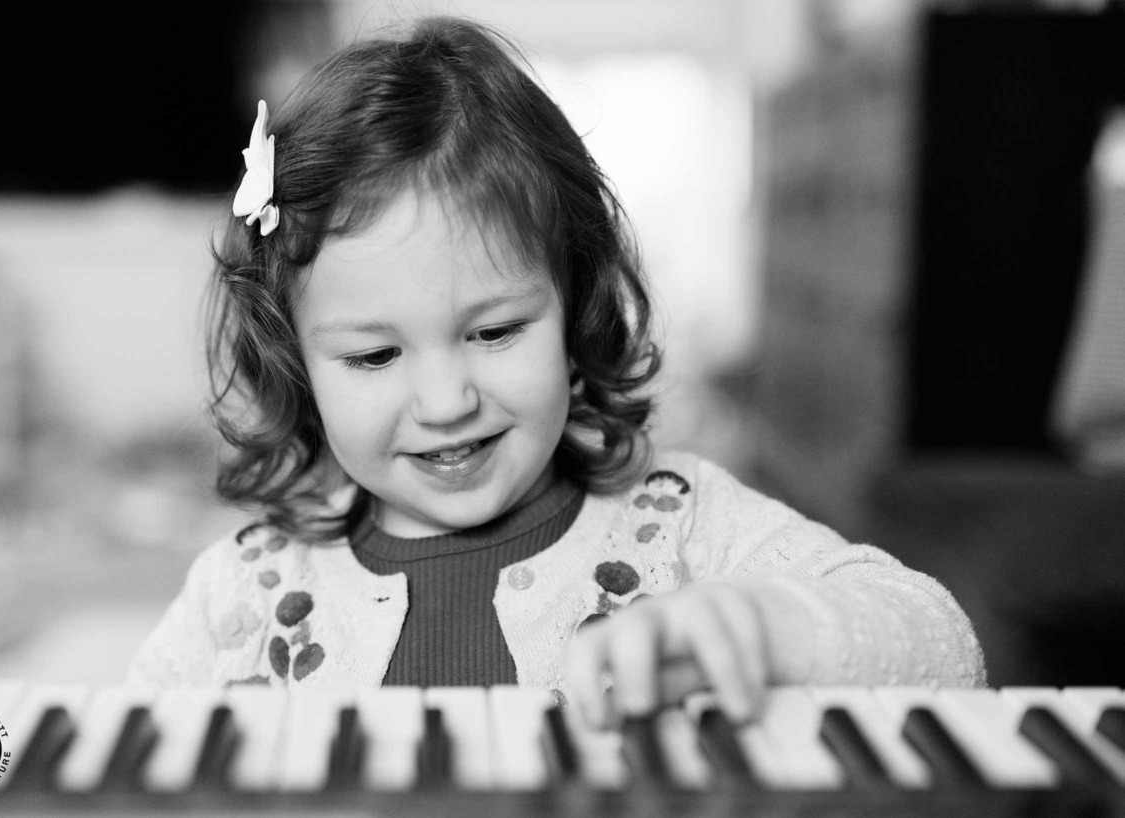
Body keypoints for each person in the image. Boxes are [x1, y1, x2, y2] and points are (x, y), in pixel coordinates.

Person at [130, 16, 985, 728]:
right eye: (375, 355)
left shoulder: (682, 527)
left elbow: (949, 652)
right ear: (297, 365)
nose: (446, 400)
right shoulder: (245, 588)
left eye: (496, 331)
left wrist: (771, 626)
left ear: (575, 314)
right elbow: (131, 749)